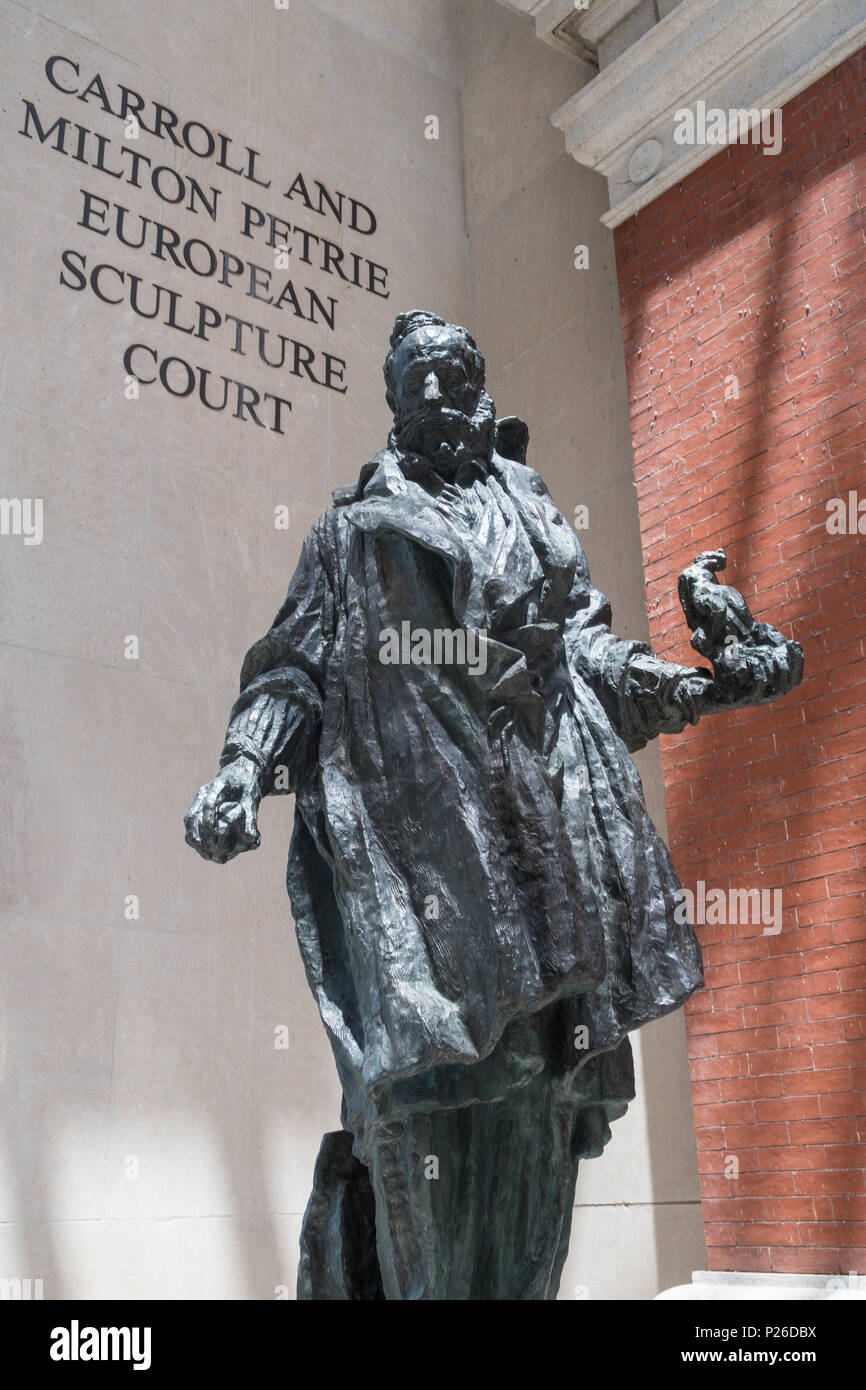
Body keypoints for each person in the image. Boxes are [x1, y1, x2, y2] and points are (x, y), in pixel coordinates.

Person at [184, 310, 800, 1299]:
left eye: (447, 372)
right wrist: (240, 769)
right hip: (420, 885)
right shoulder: (351, 534)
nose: (432, 393)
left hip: (551, 878)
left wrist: (696, 686)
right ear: (392, 399)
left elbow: (583, 661)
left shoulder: (530, 509)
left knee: (530, 1159)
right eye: (411, 379)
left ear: (476, 381)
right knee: (424, 1130)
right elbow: (292, 666)